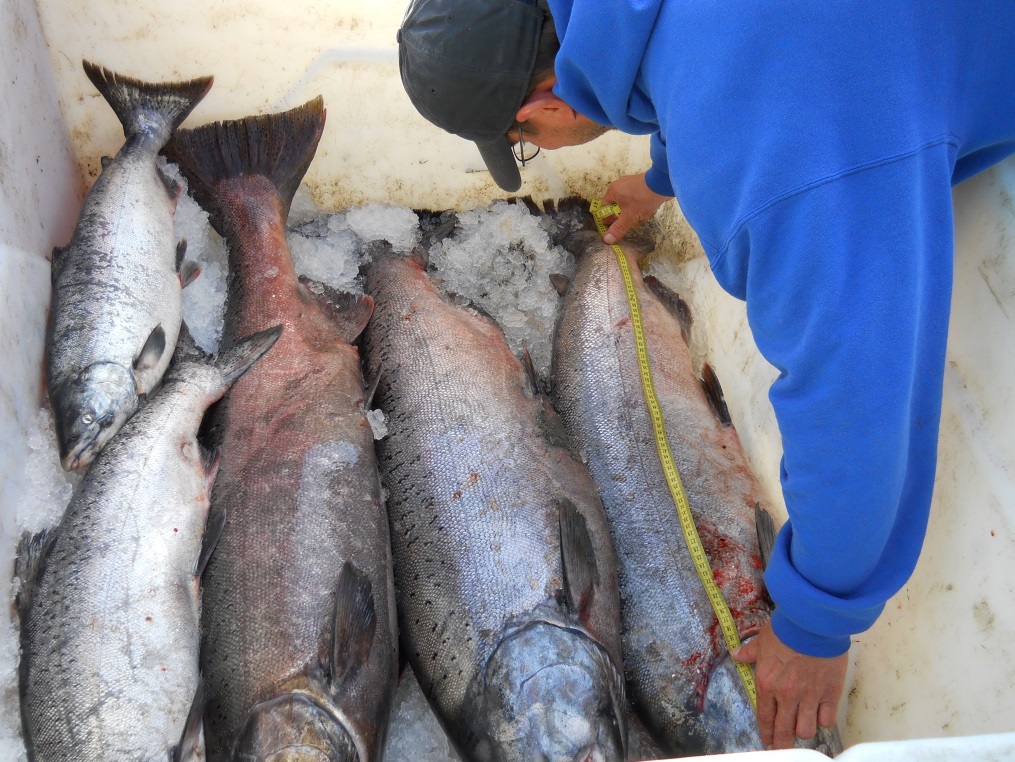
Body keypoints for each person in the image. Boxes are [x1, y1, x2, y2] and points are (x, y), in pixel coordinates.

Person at [396, 0, 1015, 752]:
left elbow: (858, 405)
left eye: (526, 143)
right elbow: (738, 50)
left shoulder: (791, 175)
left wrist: (815, 620)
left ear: (543, 104)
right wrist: (670, 171)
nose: (541, 148)